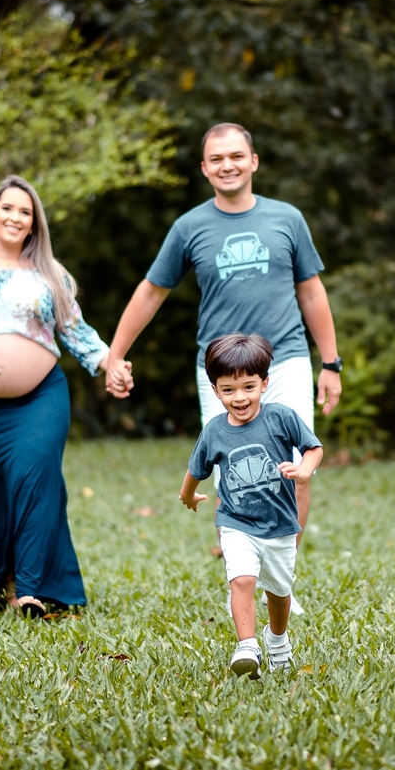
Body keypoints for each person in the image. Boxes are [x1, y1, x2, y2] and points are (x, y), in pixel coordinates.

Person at [106, 123, 342, 551]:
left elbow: (311, 292)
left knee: (296, 468)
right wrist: (115, 355)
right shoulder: (188, 227)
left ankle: (281, 575)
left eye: (236, 156)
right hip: (220, 371)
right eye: (217, 158)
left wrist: (330, 364)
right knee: (231, 471)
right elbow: (151, 291)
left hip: (284, 360)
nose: (227, 165)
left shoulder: (287, 218)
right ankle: (241, 570)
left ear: (253, 161)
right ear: (204, 168)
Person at [0, 175, 131, 618]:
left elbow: (76, 332)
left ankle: (31, 589)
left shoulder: (50, 273)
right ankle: (0, 581)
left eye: (25, 211)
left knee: (34, 480)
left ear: (34, 222)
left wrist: (110, 364)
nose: (16, 217)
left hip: (39, 399)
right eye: (8, 208)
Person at [178, 333, 323, 677]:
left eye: (248, 387)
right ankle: (247, 645)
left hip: (280, 525)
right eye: (228, 390)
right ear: (215, 390)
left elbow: (313, 448)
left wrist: (303, 470)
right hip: (235, 522)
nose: (239, 397)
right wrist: (187, 496)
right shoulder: (214, 431)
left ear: (264, 383)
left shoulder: (281, 418)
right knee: (241, 579)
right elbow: (195, 469)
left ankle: (277, 640)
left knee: (278, 591)